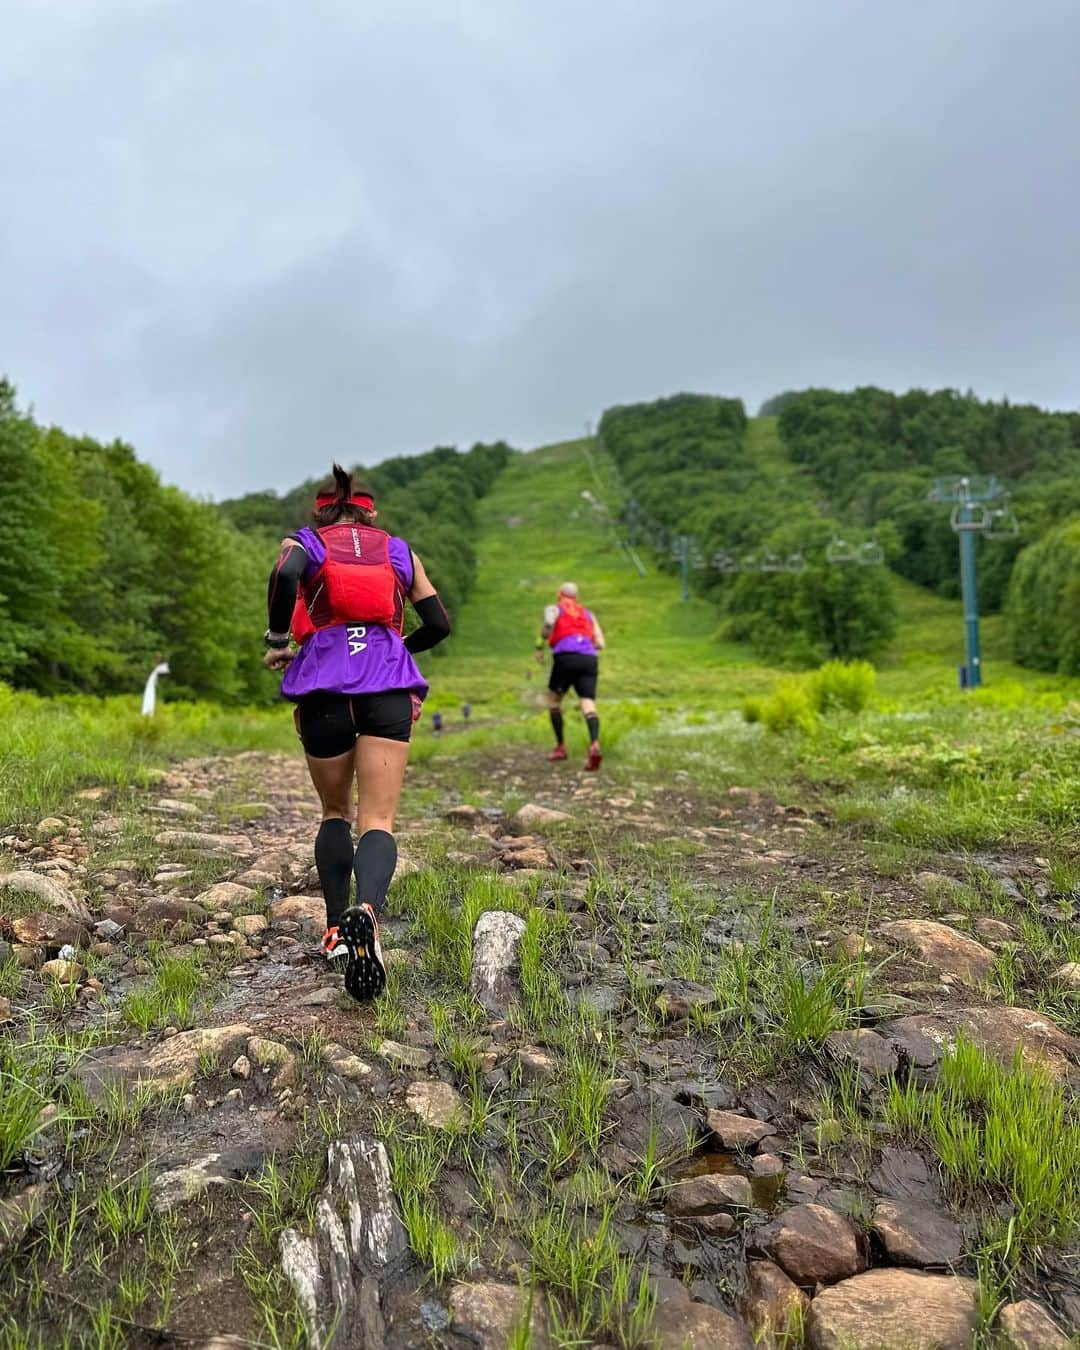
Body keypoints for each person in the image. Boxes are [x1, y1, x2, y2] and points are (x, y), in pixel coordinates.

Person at [263, 465, 451, 1001]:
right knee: (378, 819)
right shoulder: (398, 551)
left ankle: (334, 931)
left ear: (321, 509)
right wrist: (393, 654)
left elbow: (284, 577)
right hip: (386, 690)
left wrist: (279, 637)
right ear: (370, 510)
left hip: (325, 688)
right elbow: (438, 623)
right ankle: (365, 909)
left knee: (334, 813)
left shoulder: (307, 543)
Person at [535, 581, 605, 770]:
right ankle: (594, 744)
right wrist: (584, 643)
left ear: (560, 594)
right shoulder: (588, 614)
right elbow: (600, 642)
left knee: (554, 701)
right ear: (576, 597)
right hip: (589, 658)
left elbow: (549, 623)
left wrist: (541, 643)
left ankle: (560, 747)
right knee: (588, 702)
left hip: (566, 658)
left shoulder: (554, 609)